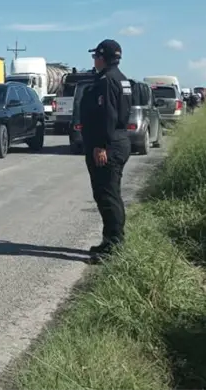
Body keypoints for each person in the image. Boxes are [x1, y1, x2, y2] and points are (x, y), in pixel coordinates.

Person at [79, 39, 132, 259]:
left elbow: (108, 115)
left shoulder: (108, 81)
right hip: (117, 141)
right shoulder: (120, 78)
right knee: (107, 194)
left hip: (108, 146)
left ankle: (114, 246)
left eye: (95, 56)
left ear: (102, 57)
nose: (94, 60)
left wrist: (101, 146)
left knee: (108, 196)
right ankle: (109, 240)